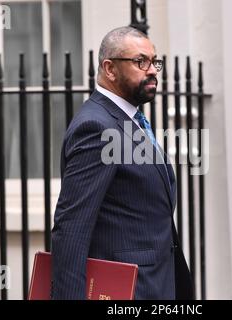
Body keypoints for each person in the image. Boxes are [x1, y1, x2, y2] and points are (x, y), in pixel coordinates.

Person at [51, 26, 193, 300]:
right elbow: (71, 228)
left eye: (155, 62)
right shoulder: (96, 127)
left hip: (157, 285)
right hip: (127, 292)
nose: (152, 70)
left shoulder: (130, 120)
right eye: (140, 61)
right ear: (110, 69)